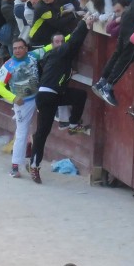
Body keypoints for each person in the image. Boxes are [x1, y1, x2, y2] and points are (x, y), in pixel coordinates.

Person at [27, 22, 91, 184]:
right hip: (47, 97)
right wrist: (84, 24)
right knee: (42, 133)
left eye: (62, 41)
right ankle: (34, 165)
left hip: (53, 95)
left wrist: (68, 72)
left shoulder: (54, 57)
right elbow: (74, 42)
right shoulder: (56, 54)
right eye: (57, 42)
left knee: (79, 95)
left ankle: (72, 124)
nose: (60, 44)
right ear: (52, 44)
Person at [0, 37, 40, 178]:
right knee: (22, 132)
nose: (17, 50)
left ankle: (33, 163)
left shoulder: (34, 55)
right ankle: (15, 166)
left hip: (38, 97)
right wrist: (13, 98)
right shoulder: (8, 66)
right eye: (15, 48)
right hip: (23, 103)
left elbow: (50, 47)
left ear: (26, 49)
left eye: (20, 47)